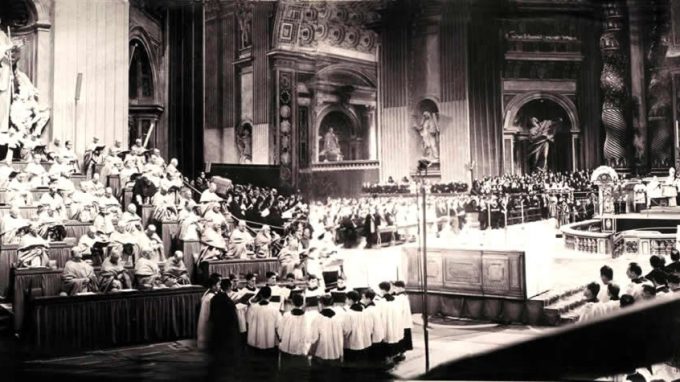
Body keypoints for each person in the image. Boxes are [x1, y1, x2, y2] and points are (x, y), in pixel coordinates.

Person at [207, 278, 242, 379]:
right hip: (226, 330)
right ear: (230, 287)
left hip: (217, 328)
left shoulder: (215, 297)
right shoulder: (227, 300)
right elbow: (232, 317)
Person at [309, 294, 344, 377]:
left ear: (321, 304)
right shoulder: (339, 317)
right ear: (333, 304)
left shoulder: (317, 318)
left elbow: (314, 339)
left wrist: (311, 353)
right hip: (336, 354)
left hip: (320, 355)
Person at [278, 293, 311, 378]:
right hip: (301, 350)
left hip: (287, 349)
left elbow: (280, 331)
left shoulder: (286, 315)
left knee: (287, 375)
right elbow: (309, 335)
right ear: (303, 303)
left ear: (292, 303)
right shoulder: (307, 317)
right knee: (300, 374)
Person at [245, 286, 281, 357]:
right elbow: (278, 326)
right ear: (270, 297)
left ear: (260, 295)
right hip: (269, 343)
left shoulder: (252, 308)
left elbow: (248, 321)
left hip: (254, 342)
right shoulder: (275, 310)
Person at [342, 290, 373, 364]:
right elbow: (370, 325)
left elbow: (346, 330)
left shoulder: (349, 313)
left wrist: (343, 336)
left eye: (346, 299)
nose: (345, 300)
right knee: (362, 361)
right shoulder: (365, 310)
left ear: (351, 300)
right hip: (364, 341)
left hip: (353, 342)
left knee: (352, 362)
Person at [378, 281, 404, 363]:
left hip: (385, 324)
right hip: (394, 324)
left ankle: (388, 358)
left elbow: (379, 314)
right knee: (393, 338)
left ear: (382, 290)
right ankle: (394, 355)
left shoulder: (382, 302)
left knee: (387, 340)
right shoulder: (395, 300)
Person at [197, 273, 221, 351]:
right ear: (213, 286)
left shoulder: (209, 293)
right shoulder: (210, 297)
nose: (220, 286)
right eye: (219, 284)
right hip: (208, 318)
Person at [393, 280, 413, 357]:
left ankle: (401, 353)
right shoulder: (403, 296)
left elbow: (398, 309)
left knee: (402, 337)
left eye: (395, 287)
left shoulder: (400, 297)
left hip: (402, 320)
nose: (395, 289)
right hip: (405, 320)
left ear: (400, 287)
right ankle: (402, 353)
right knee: (404, 336)